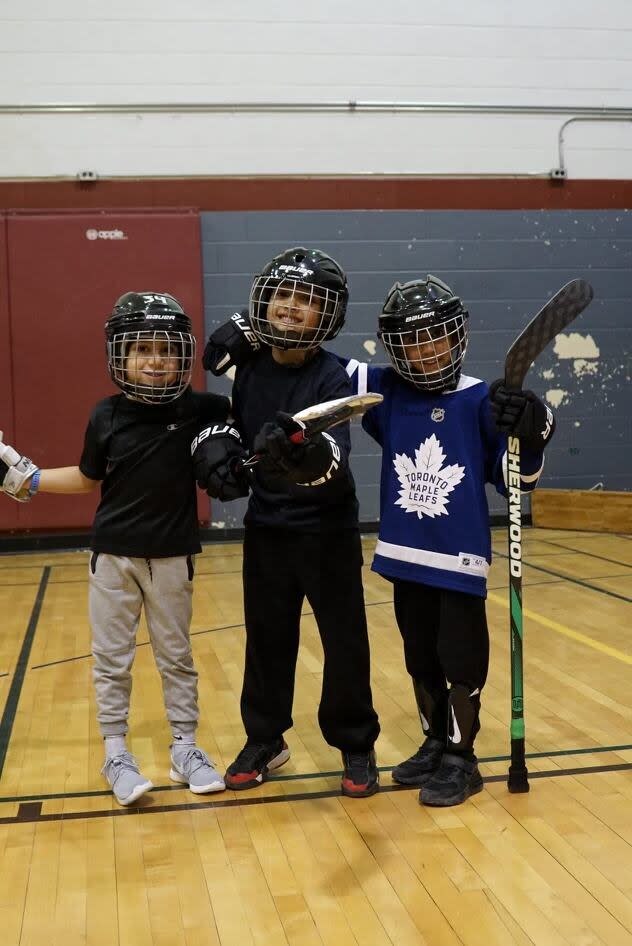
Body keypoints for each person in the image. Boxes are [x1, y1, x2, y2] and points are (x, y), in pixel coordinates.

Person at [203, 273, 556, 808]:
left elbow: (518, 481)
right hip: (404, 557)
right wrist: (244, 329)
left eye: (437, 335)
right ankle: (434, 742)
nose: (426, 349)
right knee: (419, 657)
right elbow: (308, 343)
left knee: (460, 659)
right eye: (412, 340)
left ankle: (463, 759)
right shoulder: (381, 387)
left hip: (459, 558)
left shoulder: (484, 399)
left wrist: (536, 426)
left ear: (457, 335)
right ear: (394, 346)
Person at [0, 292, 232, 805]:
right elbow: (88, 479)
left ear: (183, 353)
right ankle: (115, 752)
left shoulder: (208, 409)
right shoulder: (105, 415)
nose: (154, 360)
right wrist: (26, 479)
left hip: (173, 555)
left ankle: (185, 749)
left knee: (177, 656)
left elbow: (252, 422)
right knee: (112, 659)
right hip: (114, 557)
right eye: (142, 348)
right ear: (120, 356)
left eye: (166, 349)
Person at [194, 247, 381, 797]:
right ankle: (266, 739)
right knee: (268, 638)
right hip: (268, 529)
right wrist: (218, 452)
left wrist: (303, 458)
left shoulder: (335, 375)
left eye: (307, 300)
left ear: (328, 315)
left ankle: (355, 742)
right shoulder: (248, 370)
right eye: (284, 297)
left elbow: (335, 455)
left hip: (327, 530)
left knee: (344, 639)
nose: (293, 308)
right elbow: (231, 425)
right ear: (264, 305)